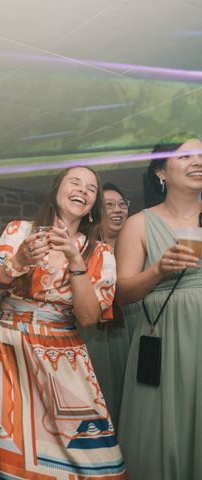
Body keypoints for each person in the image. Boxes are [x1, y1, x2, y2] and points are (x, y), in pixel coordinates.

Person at [0, 166, 126, 479]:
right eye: (75, 182)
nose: (82, 191)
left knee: (96, 455)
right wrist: (14, 265)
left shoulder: (99, 252)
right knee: (15, 456)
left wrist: (75, 260)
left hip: (64, 358)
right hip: (8, 350)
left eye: (90, 189)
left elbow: (88, 318)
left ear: (93, 204)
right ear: (57, 188)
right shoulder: (19, 231)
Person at [115, 133, 202, 479]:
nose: (198, 162)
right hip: (165, 336)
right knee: (164, 425)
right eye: (186, 156)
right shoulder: (139, 224)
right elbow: (121, 293)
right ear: (160, 172)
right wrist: (158, 270)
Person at [78, 183, 131, 427]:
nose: (118, 209)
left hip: (134, 328)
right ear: (95, 211)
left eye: (122, 204)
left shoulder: (136, 247)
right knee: (102, 397)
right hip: (95, 335)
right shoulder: (84, 249)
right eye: (109, 204)